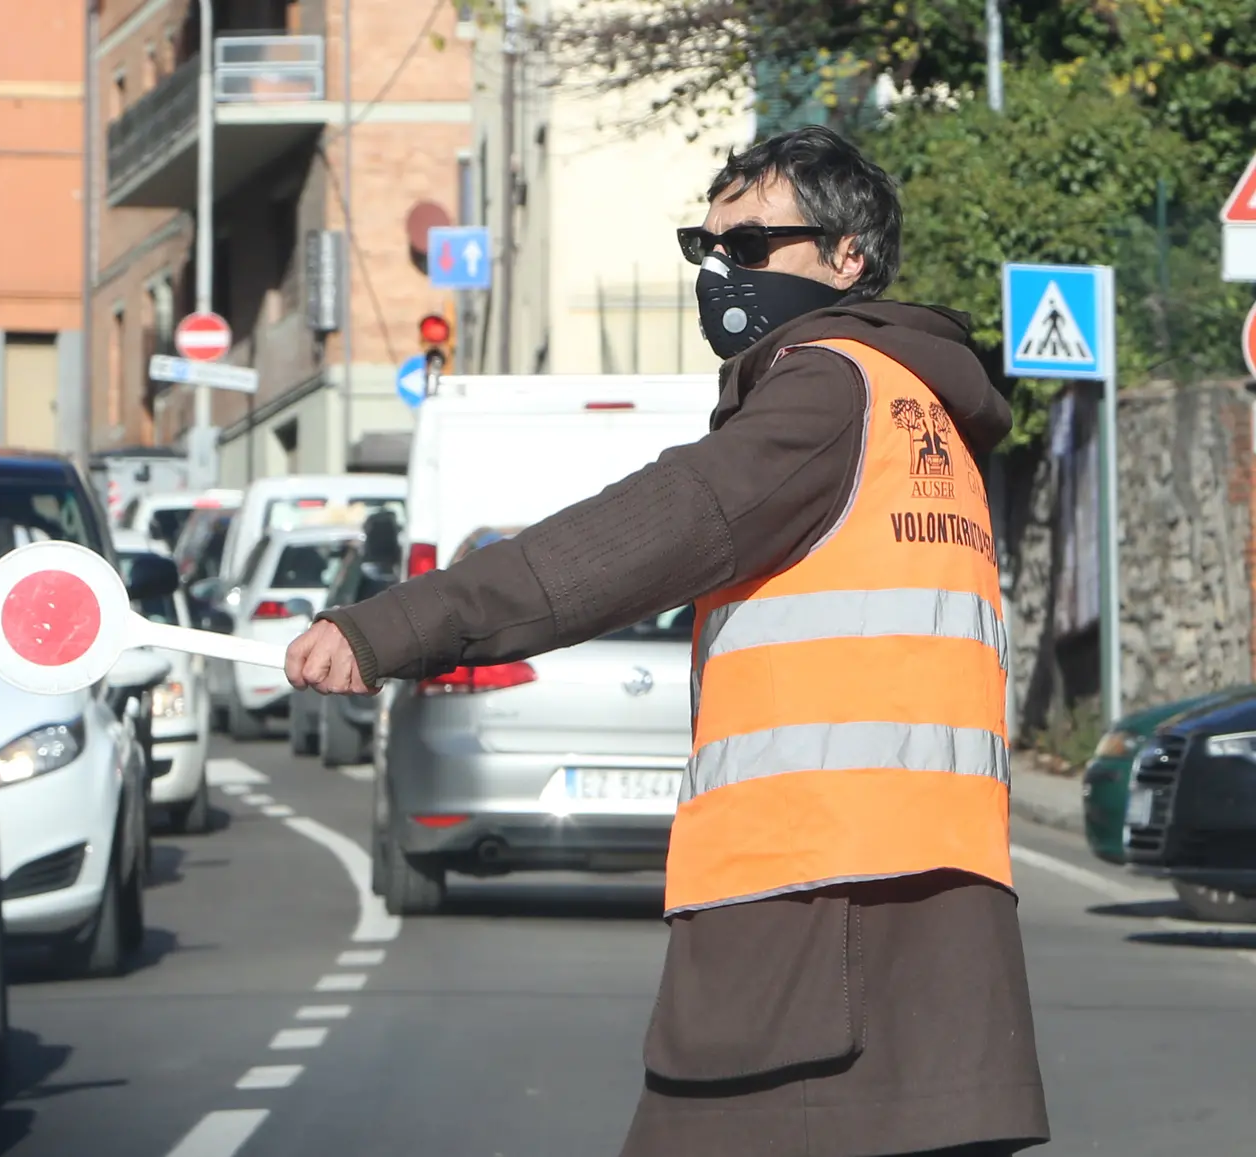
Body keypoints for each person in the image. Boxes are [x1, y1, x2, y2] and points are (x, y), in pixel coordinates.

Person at [285, 124, 1050, 1157]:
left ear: (848, 258)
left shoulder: (830, 390)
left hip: (814, 914)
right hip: (929, 921)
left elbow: (632, 540)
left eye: (749, 246)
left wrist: (392, 626)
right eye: (707, 246)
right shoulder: (923, 409)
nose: (720, 271)